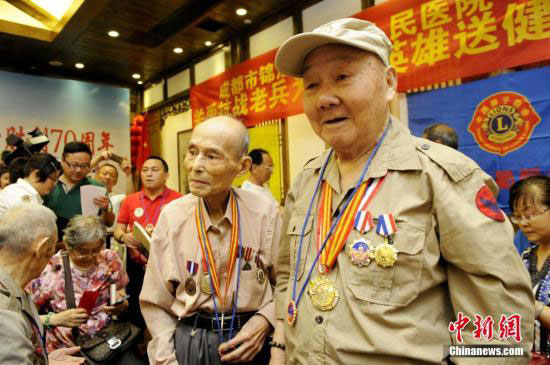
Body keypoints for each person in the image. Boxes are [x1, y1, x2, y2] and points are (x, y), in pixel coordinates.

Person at [271, 18, 534, 364]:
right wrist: (279, 346)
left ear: (389, 82)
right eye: (311, 85)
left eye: (343, 77)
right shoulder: (306, 181)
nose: (324, 99)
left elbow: (499, 323)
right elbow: (289, 275)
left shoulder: (442, 177)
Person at [140, 116, 282, 365]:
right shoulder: (172, 216)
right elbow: (155, 302)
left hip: (253, 340)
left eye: (211, 156)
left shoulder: (265, 212)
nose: (195, 165)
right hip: (193, 340)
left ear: (242, 166)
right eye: (192, 152)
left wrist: (266, 320)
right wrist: (166, 360)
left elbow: (287, 282)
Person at [26, 215, 129, 355]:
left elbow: (120, 289)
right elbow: (27, 316)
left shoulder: (109, 259)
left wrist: (121, 304)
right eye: (83, 251)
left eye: (96, 250)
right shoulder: (51, 270)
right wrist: (55, 319)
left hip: (106, 341)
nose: (91, 256)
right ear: (68, 245)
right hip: (65, 348)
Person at [0, 203, 84, 364]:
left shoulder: (14, 288)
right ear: (43, 247)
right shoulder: (5, 313)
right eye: (54, 246)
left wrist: (43, 360)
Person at [114, 155, 181, 331]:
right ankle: (139, 351)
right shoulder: (130, 200)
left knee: (165, 311)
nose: (148, 174)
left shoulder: (179, 200)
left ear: (166, 175)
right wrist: (124, 237)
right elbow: (117, 230)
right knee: (136, 312)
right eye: (145, 170)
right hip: (136, 268)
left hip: (165, 267)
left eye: (154, 170)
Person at [509, 176, 550, 362]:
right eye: (518, 216)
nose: (523, 223)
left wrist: (534, 307)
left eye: (530, 215)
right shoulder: (525, 256)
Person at [44, 142, 113, 241]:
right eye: (74, 165)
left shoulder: (96, 187)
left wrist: (106, 210)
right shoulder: (49, 184)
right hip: (51, 244)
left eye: (84, 166)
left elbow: (109, 223)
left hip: (84, 246)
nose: (78, 170)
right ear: (63, 160)